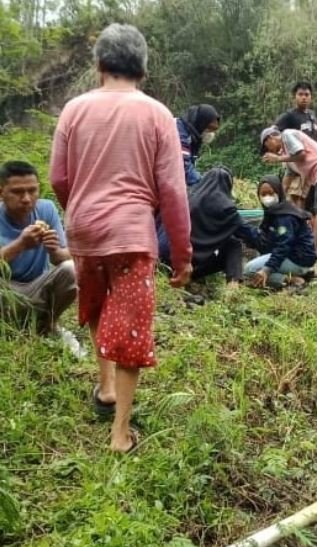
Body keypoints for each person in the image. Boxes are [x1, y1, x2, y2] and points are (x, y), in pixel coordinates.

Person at [49, 23, 192, 453]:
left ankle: (106, 388)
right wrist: (183, 254)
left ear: (99, 66)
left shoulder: (73, 109)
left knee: (97, 304)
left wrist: (81, 209)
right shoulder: (156, 114)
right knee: (130, 327)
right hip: (131, 234)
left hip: (85, 230)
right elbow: (172, 191)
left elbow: (58, 177)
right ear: (143, 69)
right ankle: (120, 434)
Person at [0, 161, 76, 334]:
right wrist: (20, 245)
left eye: (32, 190)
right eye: (17, 192)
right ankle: (12, 328)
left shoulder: (46, 208)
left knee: (72, 269)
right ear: (1, 193)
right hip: (5, 292)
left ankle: (49, 325)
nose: (26, 199)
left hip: (38, 287)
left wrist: (55, 250)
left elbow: (62, 257)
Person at [260, 125, 317, 256]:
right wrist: (279, 199)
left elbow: (301, 154)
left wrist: (278, 159)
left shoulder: (287, 134)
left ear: (270, 139)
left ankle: (313, 248)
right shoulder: (286, 154)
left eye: (267, 147)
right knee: (308, 211)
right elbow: (288, 178)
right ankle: (313, 243)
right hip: (316, 175)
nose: (269, 150)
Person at [158, 167, 242, 287]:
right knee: (233, 244)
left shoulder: (185, 197)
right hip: (181, 266)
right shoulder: (225, 207)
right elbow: (246, 232)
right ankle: (233, 287)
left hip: (156, 261)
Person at [239, 175, 317, 289]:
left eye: (271, 193)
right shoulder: (275, 212)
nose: (267, 198)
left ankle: (291, 280)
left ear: (278, 192)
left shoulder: (284, 217)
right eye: (263, 194)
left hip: (297, 259)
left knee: (248, 270)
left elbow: (284, 245)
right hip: (296, 257)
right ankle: (300, 273)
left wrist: (266, 270)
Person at [275, 81, 317, 208]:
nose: (304, 97)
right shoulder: (289, 116)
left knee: (307, 198)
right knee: (295, 196)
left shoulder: (312, 115)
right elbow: (273, 132)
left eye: (307, 94)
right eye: (300, 94)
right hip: (297, 162)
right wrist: (281, 149)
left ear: (311, 97)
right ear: (294, 97)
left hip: (312, 162)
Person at [177, 104, 220, 187]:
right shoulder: (179, 131)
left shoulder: (193, 135)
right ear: (201, 123)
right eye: (209, 129)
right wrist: (204, 184)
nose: (211, 133)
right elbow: (183, 166)